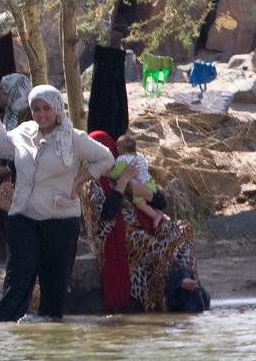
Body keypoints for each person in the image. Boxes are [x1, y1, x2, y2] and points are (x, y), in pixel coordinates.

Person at [0, 84, 114, 322]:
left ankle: (49, 343)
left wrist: (79, 181)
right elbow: (0, 141)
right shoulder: (23, 132)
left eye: (46, 108)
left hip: (60, 219)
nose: (41, 114)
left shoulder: (73, 137)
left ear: (57, 108)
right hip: (22, 217)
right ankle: (1, 331)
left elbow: (106, 158)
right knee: (18, 280)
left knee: (54, 287)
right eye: (36, 109)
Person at [82, 132, 208, 313]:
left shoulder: (125, 166)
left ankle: (183, 279)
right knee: (153, 244)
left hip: (145, 221)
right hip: (119, 234)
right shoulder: (91, 183)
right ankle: (181, 283)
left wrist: (145, 192)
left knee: (181, 230)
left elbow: (161, 202)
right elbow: (105, 216)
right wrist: (122, 183)